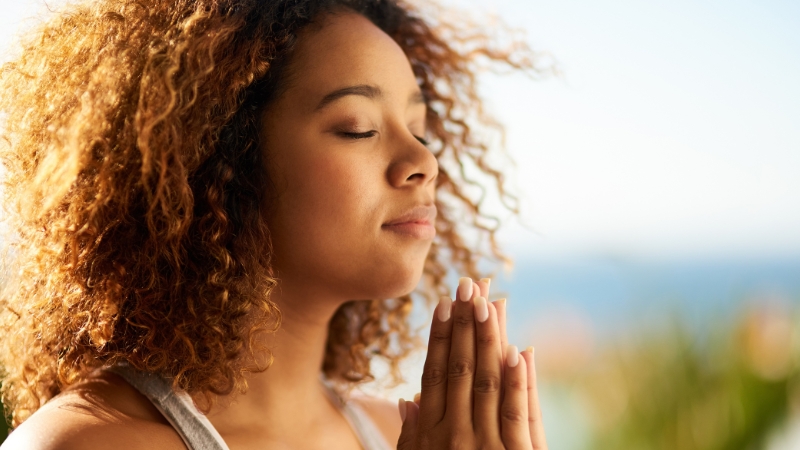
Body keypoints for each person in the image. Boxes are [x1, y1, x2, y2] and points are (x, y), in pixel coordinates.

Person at [0, 0, 548, 448]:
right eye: (358, 129)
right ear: (222, 154)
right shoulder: (86, 444)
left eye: (419, 130)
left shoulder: (400, 434)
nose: (423, 161)